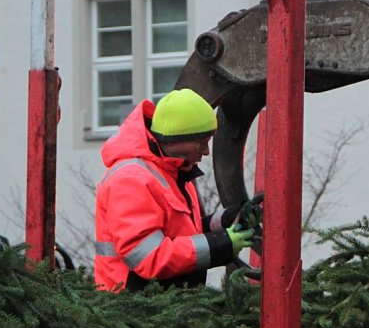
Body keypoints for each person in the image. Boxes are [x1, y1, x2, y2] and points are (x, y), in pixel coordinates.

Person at [94, 88, 260, 292]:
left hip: (158, 305)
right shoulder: (130, 179)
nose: (206, 151)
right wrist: (220, 245)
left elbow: (187, 230)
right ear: (178, 139)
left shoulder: (172, 171)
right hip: (132, 309)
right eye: (202, 142)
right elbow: (149, 257)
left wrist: (231, 218)